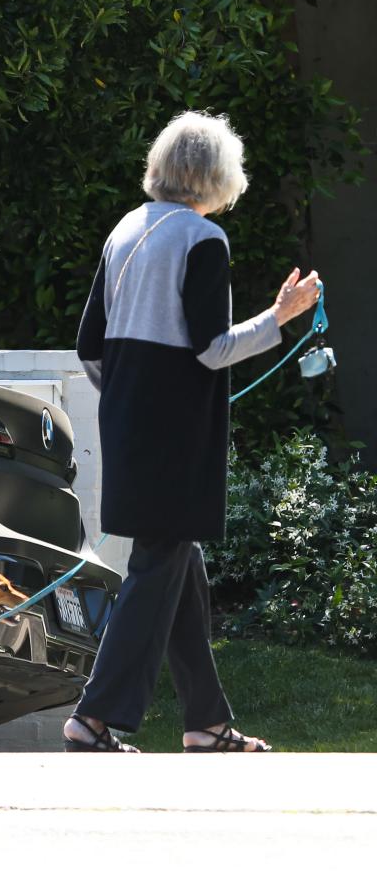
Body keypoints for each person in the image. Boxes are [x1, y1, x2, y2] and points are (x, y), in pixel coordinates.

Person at [63, 110, 320, 753]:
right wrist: (280, 317)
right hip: (177, 429)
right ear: (216, 176)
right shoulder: (202, 239)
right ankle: (93, 717)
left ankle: (205, 721)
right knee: (158, 565)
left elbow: (88, 348)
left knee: (180, 565)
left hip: (126, 418)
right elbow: (211, 349)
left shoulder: (126, 229)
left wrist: (131, 398)